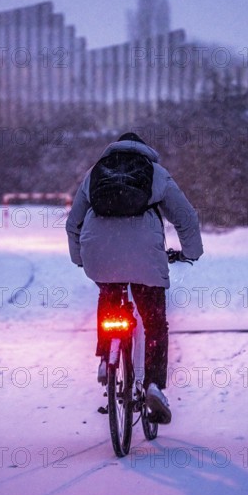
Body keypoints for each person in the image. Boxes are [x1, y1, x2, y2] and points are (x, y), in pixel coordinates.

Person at [66, 132, 203, 424]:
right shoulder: (155, 172)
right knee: (154, 323)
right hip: (144, 254)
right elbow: (185, 217)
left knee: (110, 293)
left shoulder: (95, 173)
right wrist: (191, 252)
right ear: (144, 150)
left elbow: (73, 222)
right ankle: (153, 384)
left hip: (100, 250)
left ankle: (106, 357)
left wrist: (80, 258)